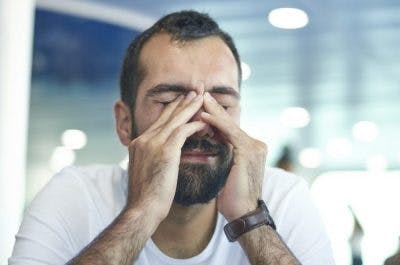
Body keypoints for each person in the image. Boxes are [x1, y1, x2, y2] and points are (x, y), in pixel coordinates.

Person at [9, 10, 334, 265]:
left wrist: (250, 217)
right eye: (170, 103)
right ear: (125, 123)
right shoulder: (77, 196)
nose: (200, 123)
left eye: (220, 105)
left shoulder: (283, 198)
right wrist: (143, 210)